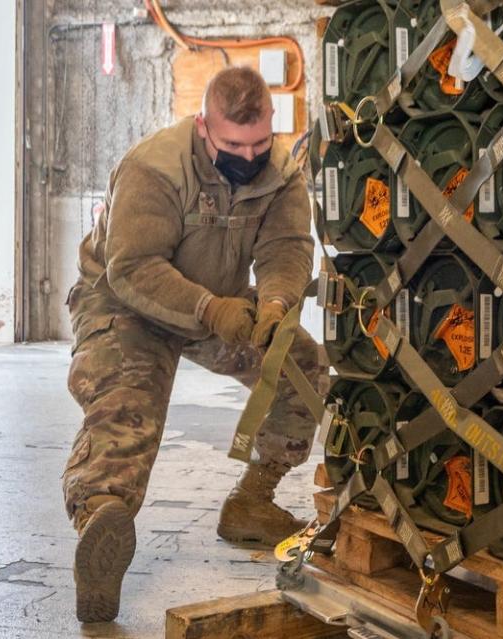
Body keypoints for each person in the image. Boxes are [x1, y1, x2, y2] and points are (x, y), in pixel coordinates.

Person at [61, 66, 323, 623]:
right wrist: (211, 309)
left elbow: (286, 248)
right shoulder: (154, 167)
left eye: (259, 143)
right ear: (204, 127)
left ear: (271, 126)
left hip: (219, 307)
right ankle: (103, 519)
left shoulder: (280, 173)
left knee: (300, 363)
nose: (248, 156)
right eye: (233, 144)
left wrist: (274, 305)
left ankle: (253, 497)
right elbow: (132, 268)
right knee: (127, 406)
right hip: (125, 302)